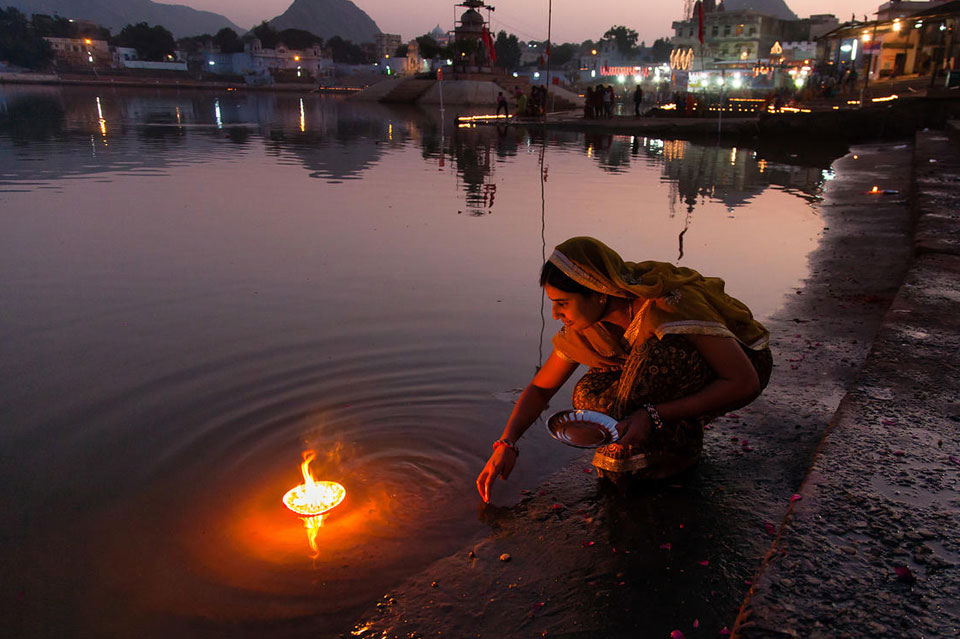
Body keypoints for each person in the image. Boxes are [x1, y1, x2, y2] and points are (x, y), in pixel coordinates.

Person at [476, 237, 773, 502]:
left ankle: (681, 449)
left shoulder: (669, 306)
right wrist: (506, 443)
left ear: (598, 292)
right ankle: (658, 440)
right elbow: (542, 388)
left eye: (563, 303)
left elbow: (744, 381)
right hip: (660, 374)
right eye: (553, 304)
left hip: (741, 364)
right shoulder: (586, 326)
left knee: (646, 373)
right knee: (588, 395)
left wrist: (653, 414)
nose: (555, 314)